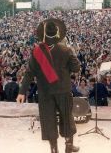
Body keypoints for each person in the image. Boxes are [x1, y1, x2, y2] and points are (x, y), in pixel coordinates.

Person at [17, 18, 80, 153]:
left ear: (43, 34)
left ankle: (54, 149)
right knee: (66, 117)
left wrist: (22, 92)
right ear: (58, 33)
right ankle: (69, 146)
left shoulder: (36, 52)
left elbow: (29, 73)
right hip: (63, 90)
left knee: (48, 119)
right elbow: (76, 69)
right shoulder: (66, 50)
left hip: (45, 92)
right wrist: (72, 52)